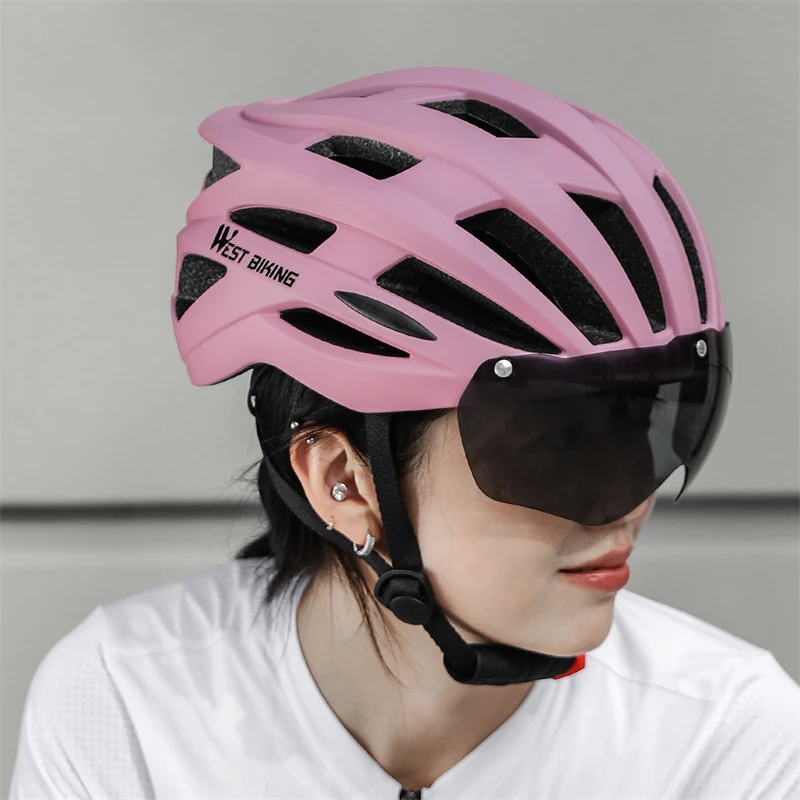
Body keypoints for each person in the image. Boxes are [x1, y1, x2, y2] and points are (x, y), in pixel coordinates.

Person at [9, 65, 799, 800]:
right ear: (344, 482)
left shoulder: (725, 736)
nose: (632, 503)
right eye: (561, 443)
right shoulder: (127, 704)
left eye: (659, 420)